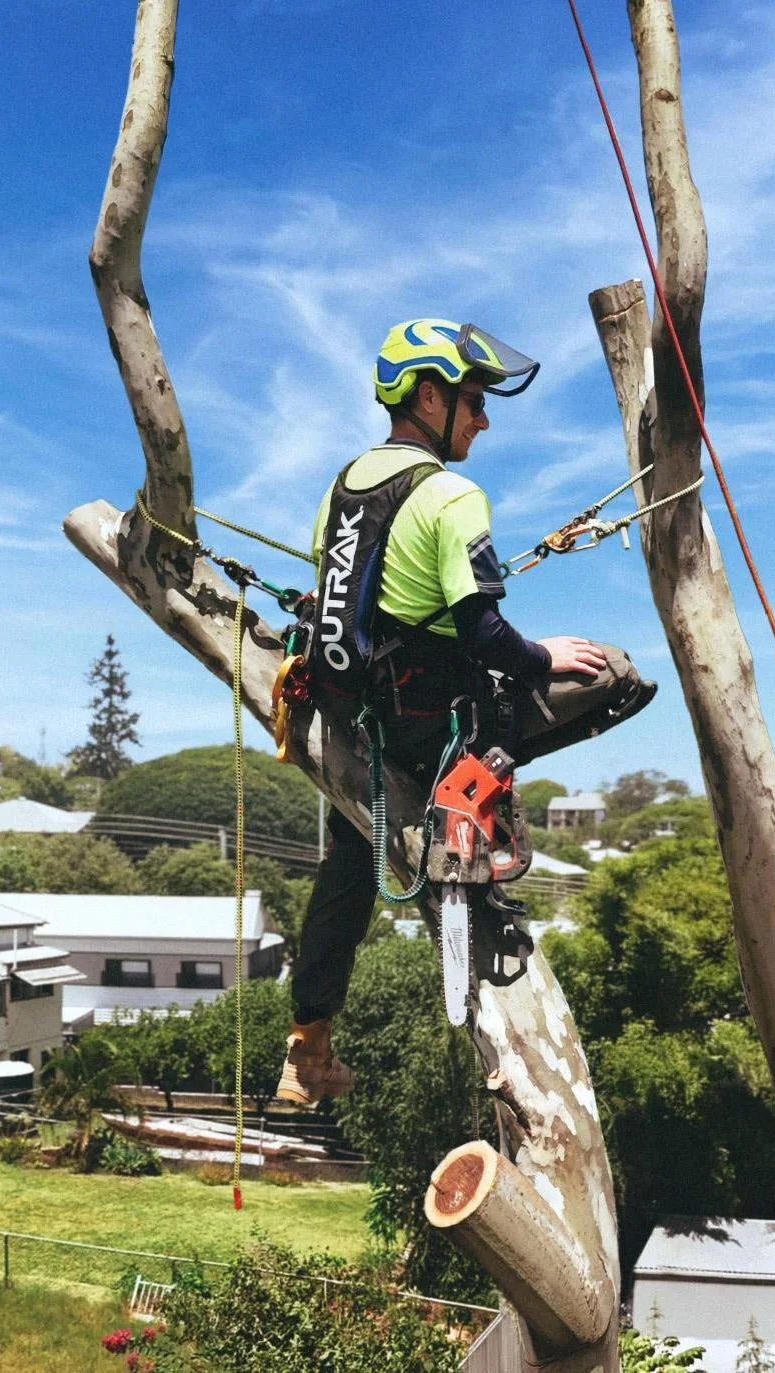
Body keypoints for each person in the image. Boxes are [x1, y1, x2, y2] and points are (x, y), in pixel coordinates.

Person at [274, 319, 619, 1106]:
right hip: (429, 727)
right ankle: (480, 827)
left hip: (351, 716)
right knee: (617, 677)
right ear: (428, 395)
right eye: (473, 401)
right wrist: (545, 656)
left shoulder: (345, 485)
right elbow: (483, 631)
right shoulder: (452, 493)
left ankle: (309, 1037)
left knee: (346, 872)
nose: (484, 419)